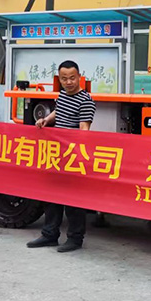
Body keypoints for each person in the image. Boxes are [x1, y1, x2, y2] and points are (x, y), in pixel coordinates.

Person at [26, 60, 96, 252]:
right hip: (57, 154)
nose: (68, 82)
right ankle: (49, 235)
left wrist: (78, 154)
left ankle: (75, 239)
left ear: (79, 77)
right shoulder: (63, 95)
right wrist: (46, 120)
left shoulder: (86, 100)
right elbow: (59, 111)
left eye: (72, 78)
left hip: (73, 156)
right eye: (64, 78)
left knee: (73, 201)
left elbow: (84, 129)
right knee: (51, 196)